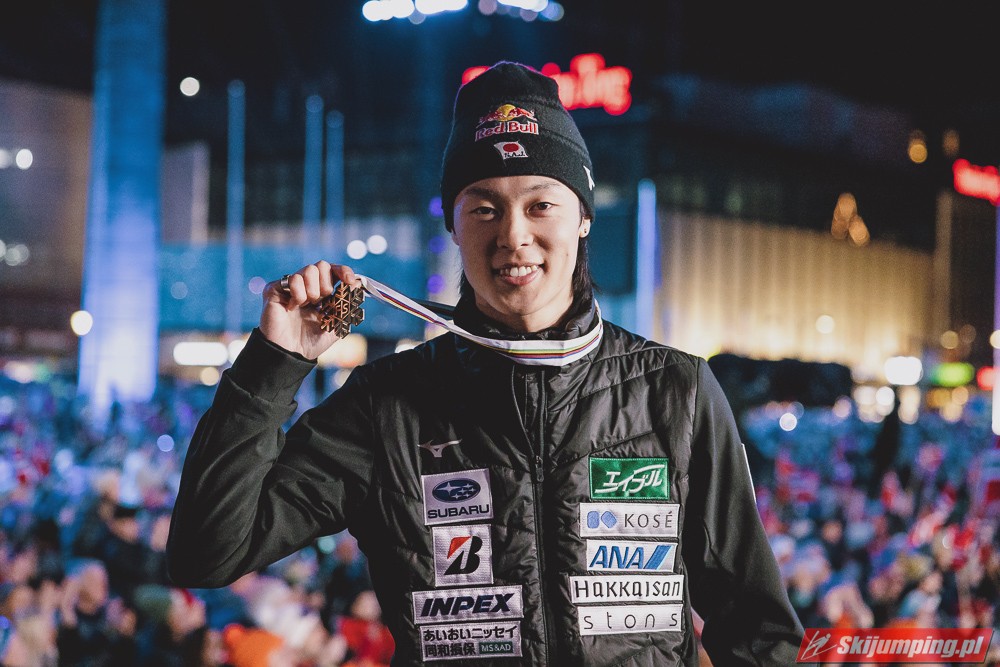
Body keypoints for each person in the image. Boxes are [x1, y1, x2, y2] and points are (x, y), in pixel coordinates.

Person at [167, 60, 804, 665]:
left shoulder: (675, 391)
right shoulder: (384, 405)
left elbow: (760, 631)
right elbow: (208, 553)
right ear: (454, 225)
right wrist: (273, 363)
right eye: (484, 208)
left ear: (583, 217)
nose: (513, 235)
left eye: (540, 204)